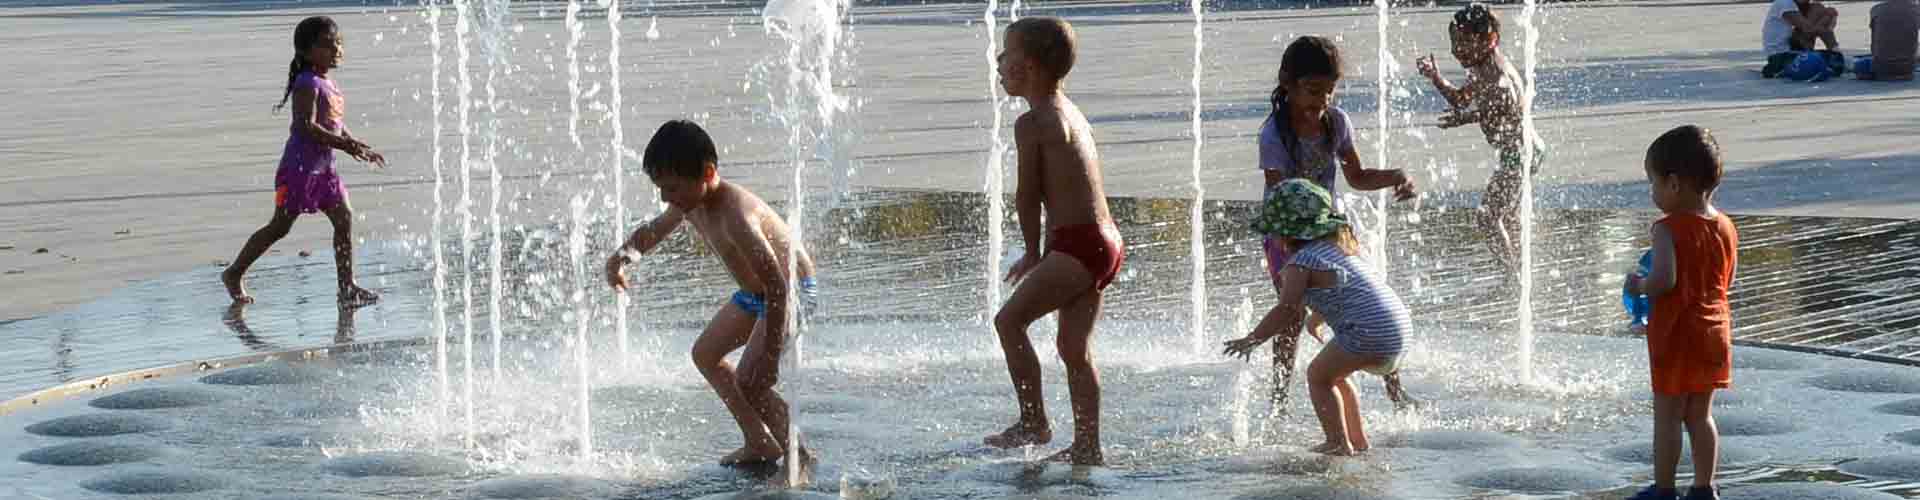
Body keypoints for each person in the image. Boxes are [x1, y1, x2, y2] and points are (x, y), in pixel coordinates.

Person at [604, 120, 820, 466]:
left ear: (707, 173)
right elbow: (653, 231)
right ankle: (759, 441)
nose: (665, 198)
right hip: (757, 295)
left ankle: (800, 458)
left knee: (752, 381)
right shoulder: (688, 203)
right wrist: (620, 259)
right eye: (661, 189)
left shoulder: (737, 215)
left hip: (790, 292)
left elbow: (778, 285)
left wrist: (769, 358)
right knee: (706, 354)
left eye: (671, 188)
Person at [979, 17, 1126, 466]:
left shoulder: (1034, 122)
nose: (999, 60)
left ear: (1031, 66)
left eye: (1007, 52)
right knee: (1073, 348)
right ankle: (1088, 445)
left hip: (1079, 244)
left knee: (1009, 322)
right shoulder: (1071, 112)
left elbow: (1029, 194)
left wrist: (1032, 251)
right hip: (1103, 241)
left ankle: (1033, 421)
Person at [1256, 35, 1418, 412]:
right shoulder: (1273, 134)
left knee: (1362, 299)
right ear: (1287, 84)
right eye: (1313, 91)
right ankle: (1278, 399)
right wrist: (1297, 249)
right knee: (1290, 313)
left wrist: (1396, 176)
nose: (1322, 100)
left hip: (1330, 229)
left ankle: (1395, 389)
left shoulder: (1336, 122)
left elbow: (1357, 177)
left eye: (1329, 91)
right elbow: (1280, 195)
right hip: (1286, 235)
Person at [1223, 180, 1413, 456]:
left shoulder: (1300, 263)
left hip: (1368, 333)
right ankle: (1357, 440)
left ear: (1285, 232)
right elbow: (1344, 289)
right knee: (1335, 376)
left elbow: (1287, 309)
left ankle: (1337, 442)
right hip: (1398, 331)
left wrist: (1253, 338)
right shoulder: (1338, 250)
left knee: (1317, 376)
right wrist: (1317, 320)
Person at [223, 16, 388, 305]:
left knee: (344, 219)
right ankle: (234, 273)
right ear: (307, 51)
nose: (335, 49)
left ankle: (347, 286)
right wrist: (344, 144)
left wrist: (356, 145)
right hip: (299, 169)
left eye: (338, 43)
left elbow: (334, 124)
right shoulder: (307, 83)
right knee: (280, 226)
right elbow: (306, 125)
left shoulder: (328, 83)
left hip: (324, 171)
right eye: (327, 44)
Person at [1624, 126, 1739, 500]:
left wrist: (1638, 286)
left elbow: (1664, 281)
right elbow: (1726, 279)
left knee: (1668, 416)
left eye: (1653, 183)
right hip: (1714, 331)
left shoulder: (1667, 229)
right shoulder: (1725, 226)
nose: (1652, 192)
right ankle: (1705, 488)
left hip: (1677, 334)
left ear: (1674, 184)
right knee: (1700, 415)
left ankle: (1664, 490)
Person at [1417, 3, 1544, 282]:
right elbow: (1462, 99)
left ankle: (1513, 279)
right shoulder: (1481, 67)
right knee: (1507, 216)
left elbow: (1504, 105)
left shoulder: (1496, 74)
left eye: (1464, 42)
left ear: (1490, 40)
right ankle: (1520, 271)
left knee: (1487, 218)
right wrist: (1436, 77)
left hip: (1519, 153)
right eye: (1454, 43)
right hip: (1522, 150)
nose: (1456, 50)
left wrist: (1466, 118)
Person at [1761, 0, 1843, 77]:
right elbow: (1808, 30)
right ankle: (1835, 57)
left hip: (1794, 51)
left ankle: (1835, 53)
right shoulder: (1785, 3)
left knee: (1818, 7)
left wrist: (1827, 20)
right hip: (1780, 56)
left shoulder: (1797, 5)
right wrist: (1828, 18)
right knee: (1832, 61)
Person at [1863, 0, 1919, 80]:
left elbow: (1874, 41)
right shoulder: (1916, 10)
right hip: (1908, 68)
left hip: (1881, 68)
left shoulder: (1876, 9)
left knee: (1859, 63)